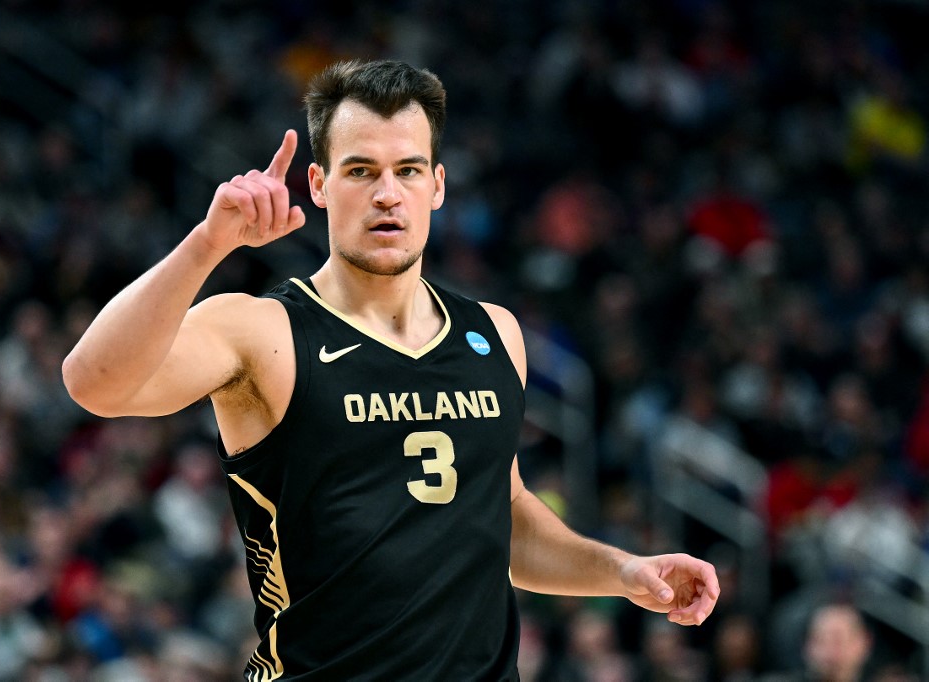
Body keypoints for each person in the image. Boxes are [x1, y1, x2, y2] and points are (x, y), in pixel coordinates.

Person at [63, 59, 720, 681]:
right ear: (318, 184)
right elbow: (92, 381)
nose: (387, 195)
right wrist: (206, 246)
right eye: (360, 171)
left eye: (408, 170)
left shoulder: (497, 335)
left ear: (437, 185)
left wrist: (625, 570)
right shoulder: (262, 329)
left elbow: (509, 523)